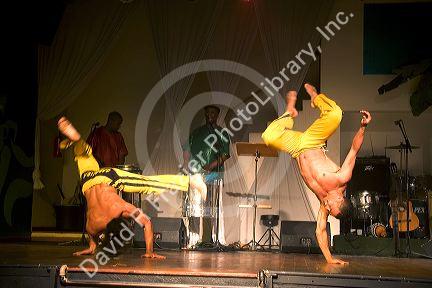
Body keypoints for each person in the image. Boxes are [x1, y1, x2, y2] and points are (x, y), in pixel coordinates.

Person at [58, 117, 206, 259]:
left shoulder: (118, 209)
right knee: (83, 157)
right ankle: (78, 143)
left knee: (147, 184)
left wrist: (149, 251)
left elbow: (146, 223)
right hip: (88, 179)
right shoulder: (91, 226)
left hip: (108, 178)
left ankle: (190, 180)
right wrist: (92, 247)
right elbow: (93, 244)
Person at [262, 83, 371, 265]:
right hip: (313, 141)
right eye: (331, 208)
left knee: (268, 137)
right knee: (336, 114)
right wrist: (363, 127)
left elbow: (320, 231)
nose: (326, 208)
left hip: (297, 149)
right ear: (340, 200)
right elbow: (353, 150)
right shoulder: (342, 178)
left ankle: (289, 114)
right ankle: (315, 97)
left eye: (329, 210)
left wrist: (329, 259)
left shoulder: (324, 202)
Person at [182, 105, 230, 245]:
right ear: (205, 114)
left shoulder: (222, 132)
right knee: (196, 207)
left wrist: (212, 165)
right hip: (196, 175)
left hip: (215, 175)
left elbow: (225, 154)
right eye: (208, 113)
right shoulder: (196, 132)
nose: (210, 115)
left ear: (217, 115)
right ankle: (195, 238)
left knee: (215, 209)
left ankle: (216, 238)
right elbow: (187, 150)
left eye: (213, 113)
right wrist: (186, 166)